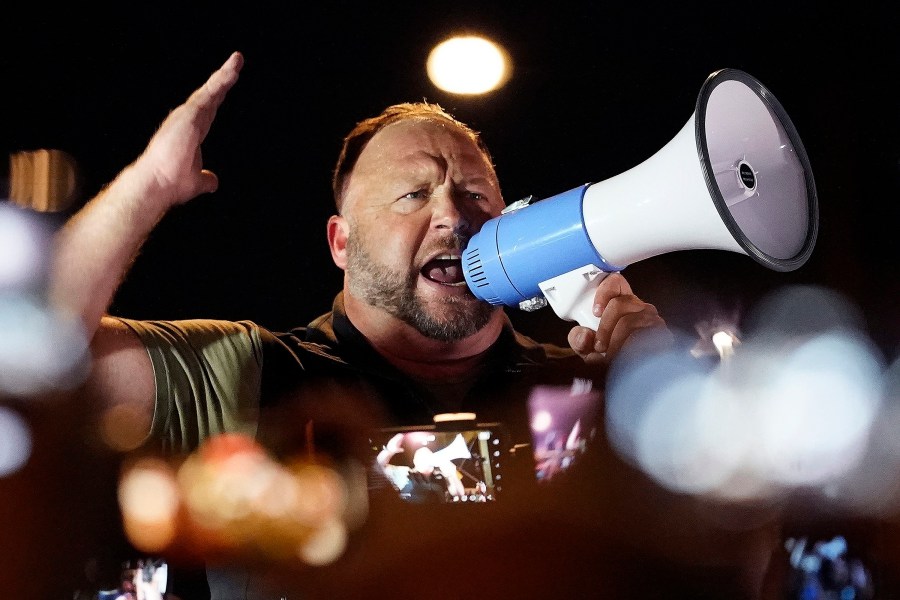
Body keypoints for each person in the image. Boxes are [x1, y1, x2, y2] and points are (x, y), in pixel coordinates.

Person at [51, 52, 776, 598]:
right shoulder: (242, 372)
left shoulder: (581, 390)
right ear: (339, 243)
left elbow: (743, 566)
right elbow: (35, 346)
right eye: (411, 193)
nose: (451, 216)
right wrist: (149, 183)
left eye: (474, 195)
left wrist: (665, 404)